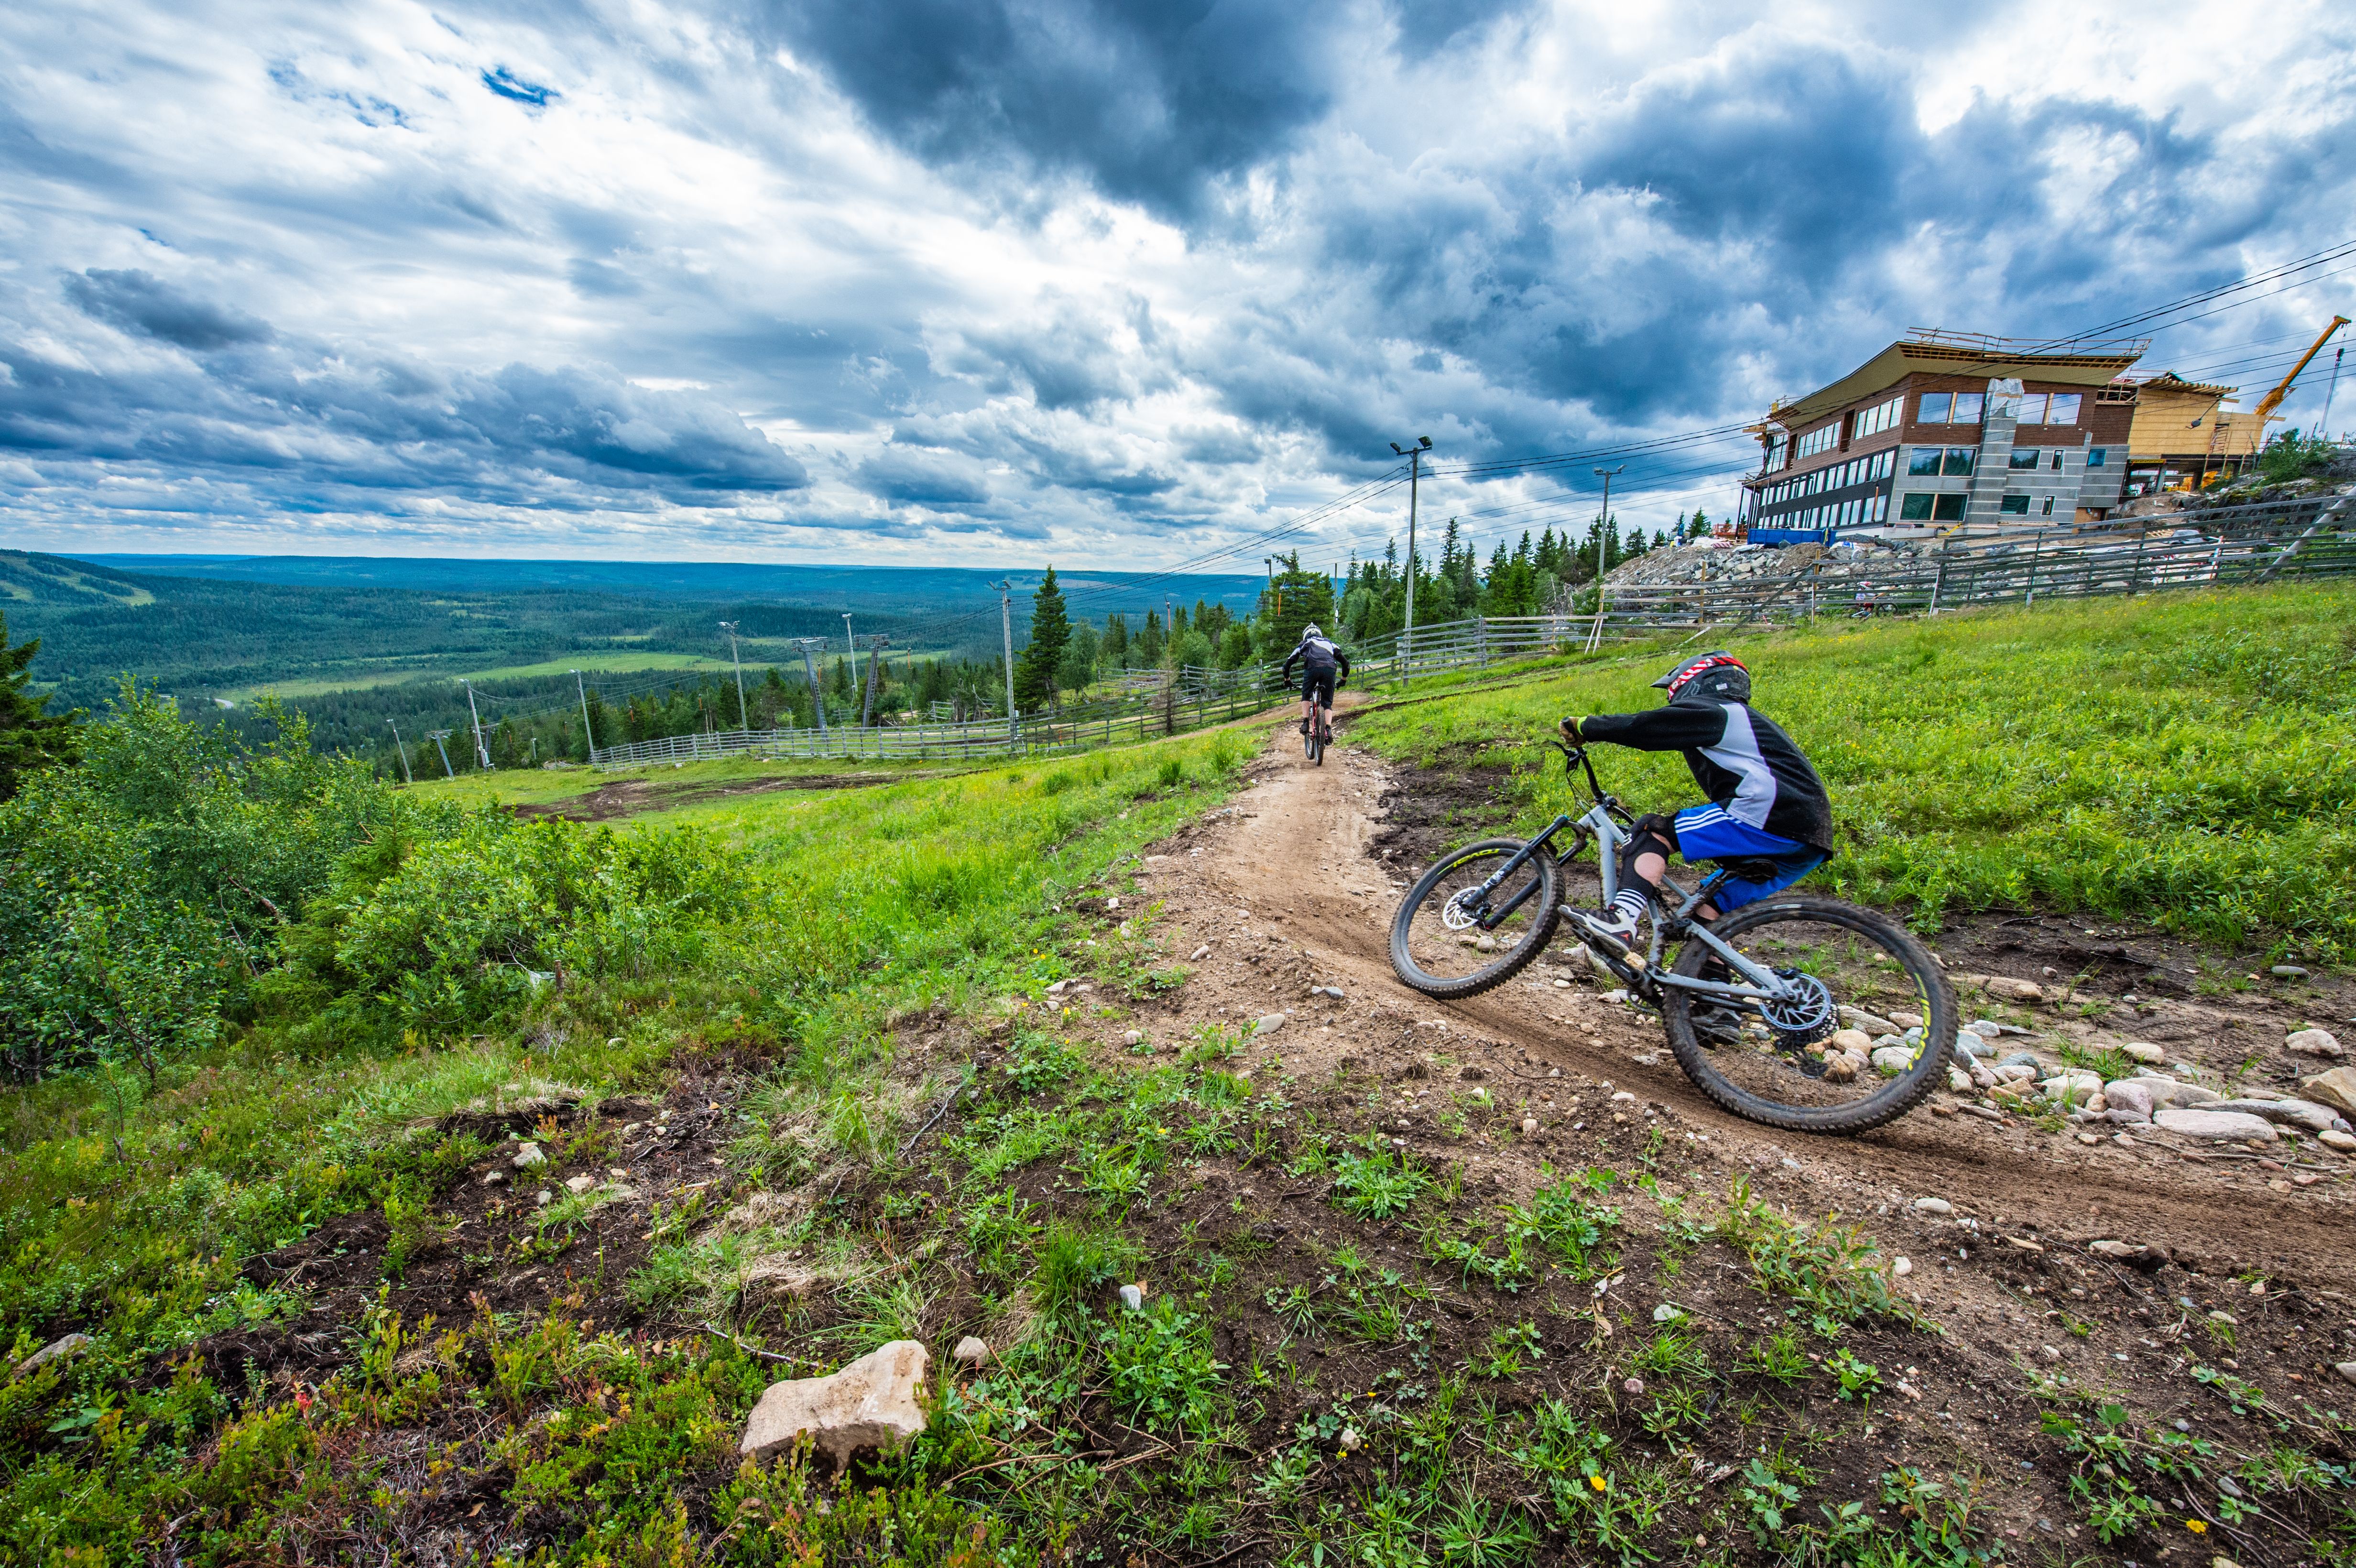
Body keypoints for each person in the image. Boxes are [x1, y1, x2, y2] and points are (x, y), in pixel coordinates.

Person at [1559, 651, 1832, 939]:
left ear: (1696, 680)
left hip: (1771, 812)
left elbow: (1646, 728)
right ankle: (1709, 977)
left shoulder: (1721, 712)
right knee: (1705, 911)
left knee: (1653, 832)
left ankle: (1621, 920)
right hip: (1810, 838)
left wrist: (1585, 726)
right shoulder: (1747, 721)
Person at [1281, 624, 1350, 739]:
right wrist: (1343, 679)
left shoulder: (1305, 643)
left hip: (1312, 668)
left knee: (1306, 694)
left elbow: (1287, 665)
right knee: (1327, 702)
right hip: (1330, 670)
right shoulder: (1330, 643)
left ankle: (1306, 722)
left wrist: (1287, 680)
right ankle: (1328, 730)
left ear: (1305, 635)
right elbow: (1346, 663)